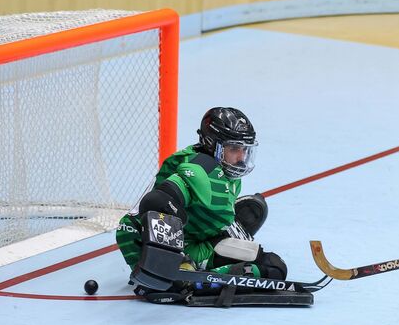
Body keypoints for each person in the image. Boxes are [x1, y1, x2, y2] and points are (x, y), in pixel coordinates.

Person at [115, 106, 288, 292]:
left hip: (193, 241)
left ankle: (203, 266)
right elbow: (156, 201)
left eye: (245, 149)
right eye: (234, 149)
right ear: (212, 145)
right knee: (272, 268)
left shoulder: (229, 174)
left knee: (272, 264)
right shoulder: (199, 169)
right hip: (153, 242)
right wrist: (174, 259)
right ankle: (194, 278)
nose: (242, 157)